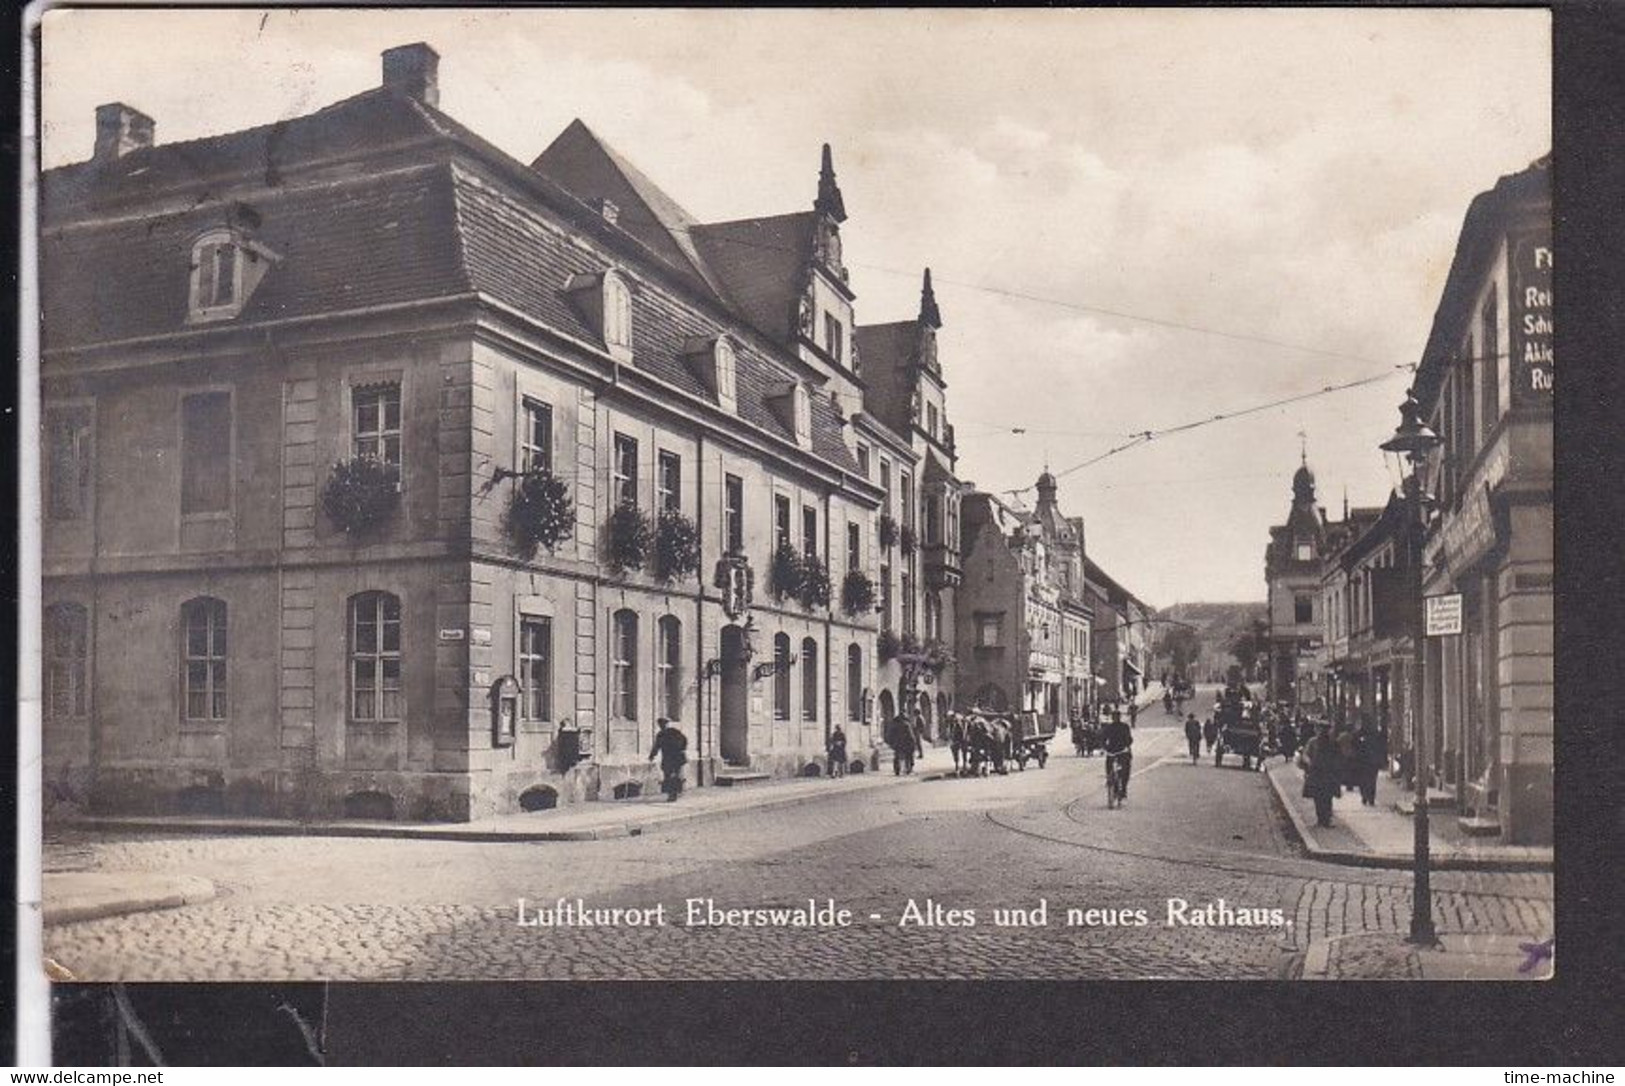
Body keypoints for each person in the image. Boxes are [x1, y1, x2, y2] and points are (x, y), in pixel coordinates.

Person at [1299, 721, 1341, 827]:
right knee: (1321, 797)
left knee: (1324, 797)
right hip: (1320, 773)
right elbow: (1306, 754)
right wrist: (1309, 763)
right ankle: (1322, 819)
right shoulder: (1314, 742)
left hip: (1323, 773)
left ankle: (1325, 819)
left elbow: (1337, 758)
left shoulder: (1331, 742)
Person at [648, 717, 689, 802]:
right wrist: (652, 755)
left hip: (676, 757)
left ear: (667, 724)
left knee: (674, 776)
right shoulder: (660, 735)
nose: (662, 726)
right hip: (668, 758)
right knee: (668, 776)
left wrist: (682, 749)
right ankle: (672, 793)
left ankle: (674, 794)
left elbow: (684, 740)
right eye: (661, 725)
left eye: (664, 724)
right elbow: (657, 746)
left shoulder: (674, 732)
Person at [1101, 710, 1135, 800]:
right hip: (1118, 751)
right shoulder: (1122, 727)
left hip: (1118, 751)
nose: (1115, 718)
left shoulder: (1118, 727)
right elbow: (1129, 740)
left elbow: (1129, 739)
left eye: (1116, 716)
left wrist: (1105, 747)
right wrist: (1104, 747)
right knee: (1119, 769)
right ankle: (1112, 781)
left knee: (1124, 770)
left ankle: (1122, 788)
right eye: (1114, 717)